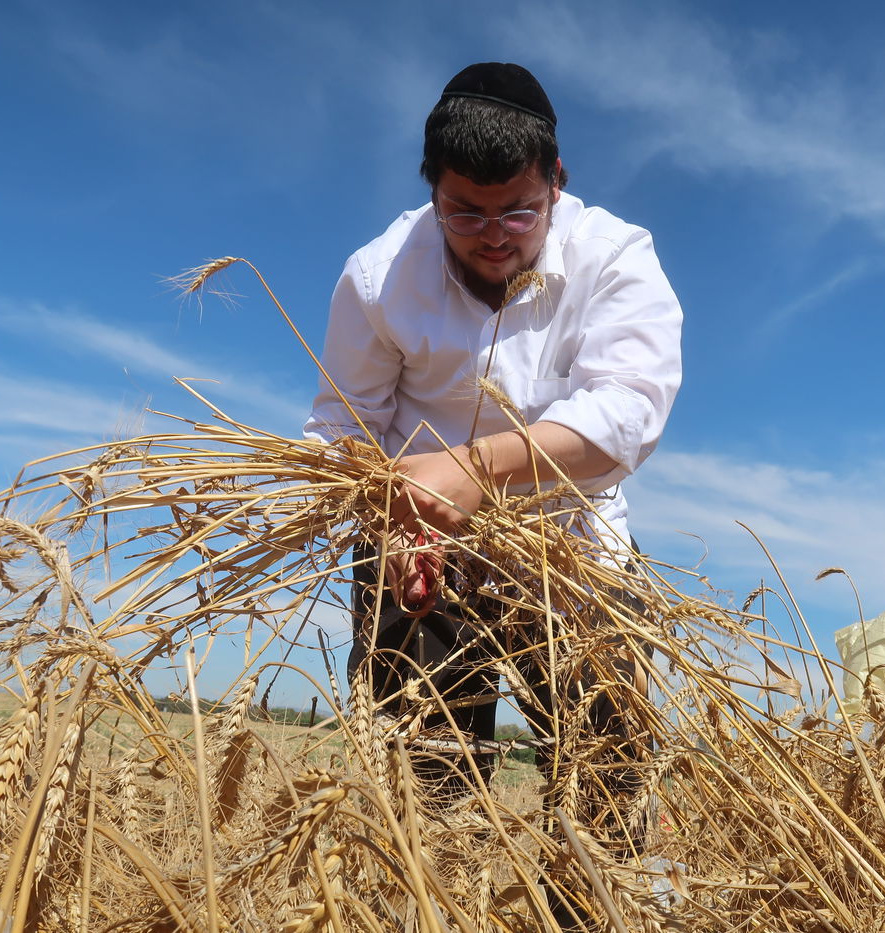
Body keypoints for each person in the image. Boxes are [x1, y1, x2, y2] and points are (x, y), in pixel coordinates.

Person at [303, 60, 682, 889]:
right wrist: (388, 515)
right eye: (463, 211)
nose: (494, 233)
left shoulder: (616, 257)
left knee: (606, 773)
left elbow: (629, 413)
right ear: (430, 190)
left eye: (519, 208)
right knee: (421, 777)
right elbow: (341, 426)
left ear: (558, 182)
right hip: (417, 553)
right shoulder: (377, 276)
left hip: (575, 548)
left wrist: (476, 469)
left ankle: (592, 904)